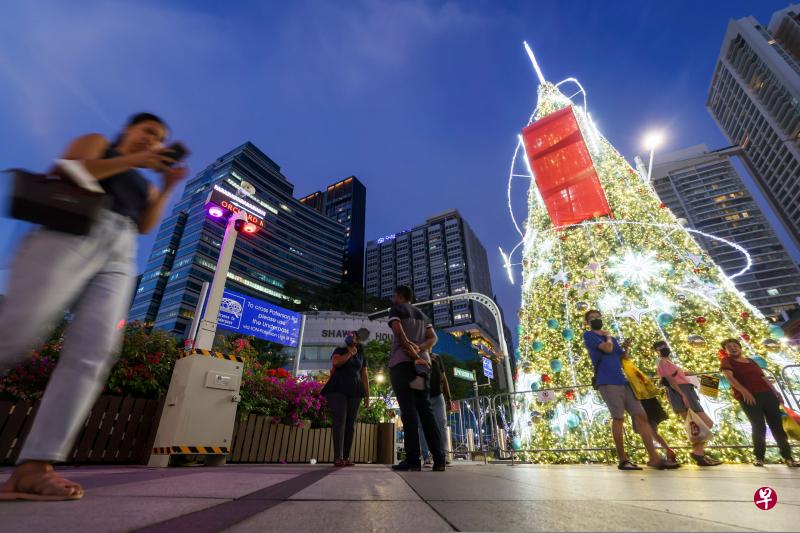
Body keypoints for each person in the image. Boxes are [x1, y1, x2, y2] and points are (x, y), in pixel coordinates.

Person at [0, 113, 187, 501]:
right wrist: (131, 160)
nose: (152, 140)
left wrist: (166, 187)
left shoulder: (145, 181)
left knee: (96, 349)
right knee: (17, 329)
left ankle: (35, 466)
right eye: (147, 131)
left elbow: (146, 226)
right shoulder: (99, 142)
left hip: (121, 250)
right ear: (127, 131)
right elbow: (69, 171)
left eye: (158, 139)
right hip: (73, 227)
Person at [583, 310, 679, 470]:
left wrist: (625, 348)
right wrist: (607, 336)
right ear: (587, 323)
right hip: (607, 381)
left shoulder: (612, 338)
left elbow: (622, 358)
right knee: (618, 418)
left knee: (641, 415)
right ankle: (623, 459)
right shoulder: (590, 336)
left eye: (597, 317)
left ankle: (654, 458)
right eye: (592, 318)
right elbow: (607, 349)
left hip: (623, 381)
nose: (596, 320)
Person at [388, 285, 446, 472]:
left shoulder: (396, 309)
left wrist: (411, 351)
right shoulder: (423, 315)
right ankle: (439, 458)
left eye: (394, 296)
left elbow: (398, 332)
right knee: (425, 411)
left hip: (403, 365)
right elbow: (433, 338)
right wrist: (420, 348)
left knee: (409, 411)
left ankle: (413, 459)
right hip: (422, 368)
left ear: (399, 296)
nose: (393, 298)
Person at [719, 338, 799, 467]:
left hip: (768, 395)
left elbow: (763, 377)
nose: (733, 348)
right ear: (726, 350)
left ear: (740, 347)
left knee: (777, 426)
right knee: (758, 426)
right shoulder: (727, 361)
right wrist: (745, 392)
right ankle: (759, 457)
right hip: (749, 398)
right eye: (729, 347)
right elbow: (729, 378)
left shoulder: (751, 361)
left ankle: (788, 457)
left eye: (735, 345)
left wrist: (776, 392)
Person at [653, 340, 721, 466]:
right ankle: (698, 452)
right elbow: (670, 380)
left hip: (685, 391)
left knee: (694, 426)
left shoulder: (668, 362)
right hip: (681, 392)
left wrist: (685, 373)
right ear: (656, 351)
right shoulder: (662, 362)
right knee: (704, 423)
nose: (663, 348)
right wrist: (682, 394)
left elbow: (674, 376)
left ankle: (699, 453)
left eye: (664, 346)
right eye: (659, 347)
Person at [321, 330, 370, 467]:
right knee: (340, 421)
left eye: (353, 335)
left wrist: (367, 395)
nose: (350, 337)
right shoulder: (340, 350)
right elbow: (336, 363)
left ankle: (346, 457)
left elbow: (364, 377)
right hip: (338, 388)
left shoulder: (361, 356)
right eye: (348, 335)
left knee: (351, 424)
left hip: (355, 391)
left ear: (357, 340)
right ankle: (338, 457)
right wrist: (349, 353)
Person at [418, 353, 452, 466]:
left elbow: (444, 377)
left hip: (438, 395)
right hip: (423, 396)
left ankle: (444, 455)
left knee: (442, 423)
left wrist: (449, 398)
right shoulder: (416, 355)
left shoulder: (437, 357)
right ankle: (426, 456)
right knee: (422, 426)